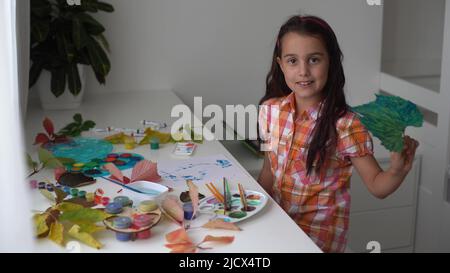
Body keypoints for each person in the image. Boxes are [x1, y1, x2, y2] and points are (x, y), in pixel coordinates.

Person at [257, 15, 419, 252]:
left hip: (318, 241)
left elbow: (377, 186)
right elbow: (269, 170)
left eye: (314, 59)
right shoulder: (270, 111)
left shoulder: (346, 125)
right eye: (293, 61)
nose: (303, 71)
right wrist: (251, 206)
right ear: (281, 65)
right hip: (279, 230)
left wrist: (396, 171)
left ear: (331, 61)